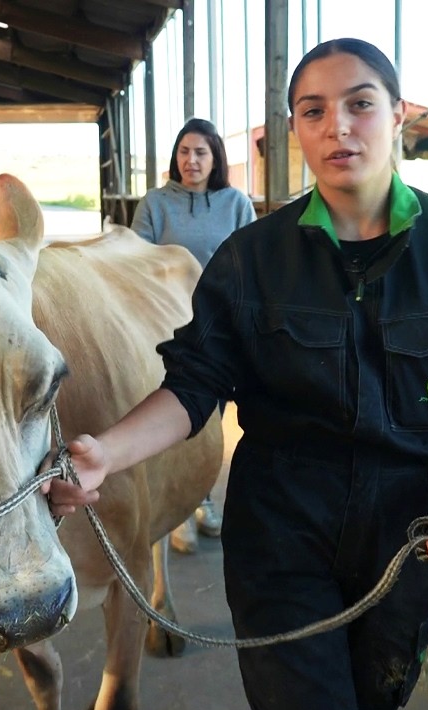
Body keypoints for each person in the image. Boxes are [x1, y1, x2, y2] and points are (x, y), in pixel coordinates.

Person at [47, 37, 428, 710]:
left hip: (410, 531)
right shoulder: (252, 259)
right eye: (313, 111)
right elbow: (196, 385)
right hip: (280, 526)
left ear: (398, 114)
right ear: (295, 132)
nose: (338, 126)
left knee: (375, 700)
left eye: (360, 104)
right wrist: (107, 452)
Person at [130, 117, 256, 553]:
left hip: (218, 326)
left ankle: (201, 499)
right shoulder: (155, 203)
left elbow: (250, 262)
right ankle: (178, 509)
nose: (191, 160)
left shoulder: (236, 203)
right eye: (184, 151)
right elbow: (136, 260)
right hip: (164, 323)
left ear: (215, 157)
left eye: (201, 152)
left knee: (210, 418)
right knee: (170, 411)